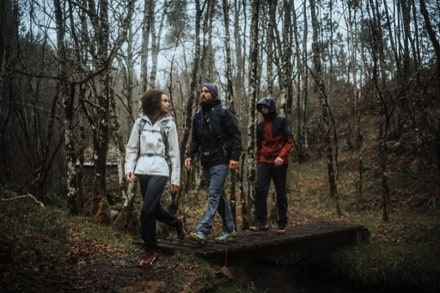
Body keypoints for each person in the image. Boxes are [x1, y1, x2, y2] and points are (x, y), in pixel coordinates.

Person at [125, 89, 185, 266]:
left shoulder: (169, 124)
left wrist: (175, 179)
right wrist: (129, 168)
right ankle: (177, 222)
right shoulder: (140, 123)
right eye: (165, 100)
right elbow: (132, 148)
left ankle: (150, 249)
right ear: (155, 102)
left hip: (160, 170)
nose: (169, 103)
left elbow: (174, 154)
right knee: (154, 209)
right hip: (142, 170)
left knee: (146, 210)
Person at [184, 82, 242, 244]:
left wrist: (234, 157)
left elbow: (236, 135)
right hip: (206, 161)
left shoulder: (224, 113)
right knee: (219, 196)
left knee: (213, 194)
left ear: (214, 94)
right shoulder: (198, 115)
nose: (202, 94)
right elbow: (196, 139)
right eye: (201, 91)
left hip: (221, 161)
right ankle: (230, 229)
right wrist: (190, 155)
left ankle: (202, 230)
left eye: (206, 91)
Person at [249, 97, 295, 235]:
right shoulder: (260, 126)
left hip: (279, 162)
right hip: (264, 162)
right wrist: (259, 162)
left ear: (271, 107)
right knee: (260, 190)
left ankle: (282, 223)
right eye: (261, 108)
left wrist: (281, 156)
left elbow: (290, 141)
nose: (263, 110)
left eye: (265, 107)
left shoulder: (281, 121)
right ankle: (262, 222)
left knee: (280, 192)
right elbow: (258, 147)